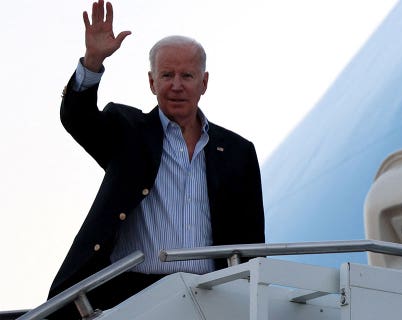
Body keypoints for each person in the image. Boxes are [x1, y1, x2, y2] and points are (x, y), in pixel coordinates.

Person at [47, 1, 265, 318]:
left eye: (187, 75)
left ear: (204, 83)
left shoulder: (237, 151)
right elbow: (76, 117)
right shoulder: (127, 131)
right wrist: (93, 61)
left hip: (213, 297)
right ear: (152, 82)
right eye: (167, 75)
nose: (176, 85)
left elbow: (252, 245)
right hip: (132, 296)